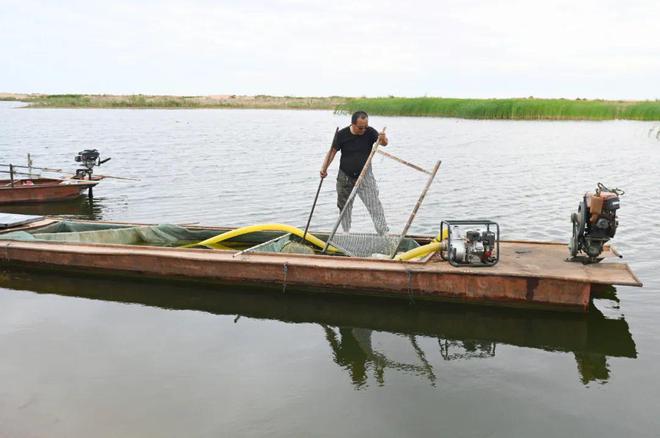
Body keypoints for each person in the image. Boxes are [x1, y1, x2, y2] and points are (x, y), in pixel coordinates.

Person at [319, 111, 389, 234]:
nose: (363, 130)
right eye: (360, 127)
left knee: (374, 205)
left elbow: (383, 143)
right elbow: (332, 152)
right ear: (353, 124)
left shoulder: (370, 131)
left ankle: (383, 233)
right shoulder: (341, 135)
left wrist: (383, 139)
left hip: (365, 176)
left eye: (365, 127)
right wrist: (324, 169)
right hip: (345, 176)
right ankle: (346, 233)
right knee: (344, 207)